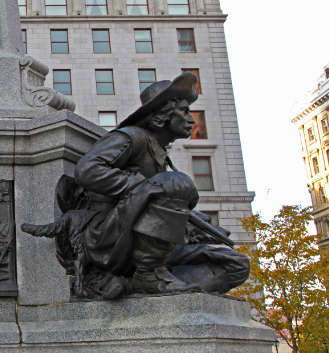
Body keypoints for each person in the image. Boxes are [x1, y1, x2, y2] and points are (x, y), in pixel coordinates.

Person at [24, 72, 250, 299]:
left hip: (147, 241)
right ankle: (150, 275)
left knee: (235, 264)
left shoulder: (160, 150)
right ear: (163, 114)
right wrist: (144, 185)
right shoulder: (130, 137)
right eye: (184, 111)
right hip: (109, 236)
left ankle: (133, 284)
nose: (191, 119)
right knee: (176, 183)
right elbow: (87, 170)